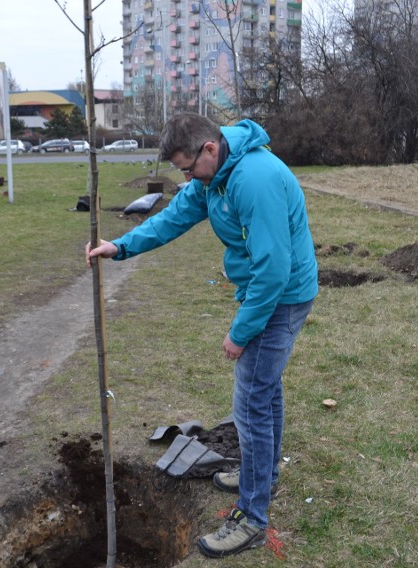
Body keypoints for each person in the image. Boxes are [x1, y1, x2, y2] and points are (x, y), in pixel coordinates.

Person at [87, 112, 318, 558]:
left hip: (281, 295)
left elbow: (273, 271)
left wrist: (240, 332)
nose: (187, 178)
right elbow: (173, 218)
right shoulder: (214, 176)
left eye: (188, 169)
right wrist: (121, 246)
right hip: (266, 288)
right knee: (264, 390)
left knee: (251, 398)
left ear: (209, 149)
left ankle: (251, 516)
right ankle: (263, 475)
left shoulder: (255, 179)